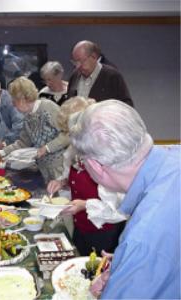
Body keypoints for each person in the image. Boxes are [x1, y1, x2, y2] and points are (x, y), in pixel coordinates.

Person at [69, 100, 180, 298]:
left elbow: (150, 243)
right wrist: (127, 262)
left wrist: (136, 259)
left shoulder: (142, 238)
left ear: (95, 166)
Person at [46, 97, 127, 256]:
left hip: (105, 233)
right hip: (81, 228)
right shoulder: (74, 149)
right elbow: (74, 178)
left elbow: (118, 208)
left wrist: (84, 205)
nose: (72, 139)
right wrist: (62, 182)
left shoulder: (108, 156)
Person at [0, 76, 69, 183]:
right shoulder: (28, 116)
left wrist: (47, 148)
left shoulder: (48, 107)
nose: (13, 106)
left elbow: (68, 134)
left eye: (14, 102)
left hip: (60, 168)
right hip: (43, 168)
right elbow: (23, 142)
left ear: (23, 99)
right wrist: (1, 153)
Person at [67, 40, 133, 107]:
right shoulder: (74, 76)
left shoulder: (112, 76)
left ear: (94, 57)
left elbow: (127, 106)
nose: (78, 66)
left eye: (81, 61)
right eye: (75, 62)